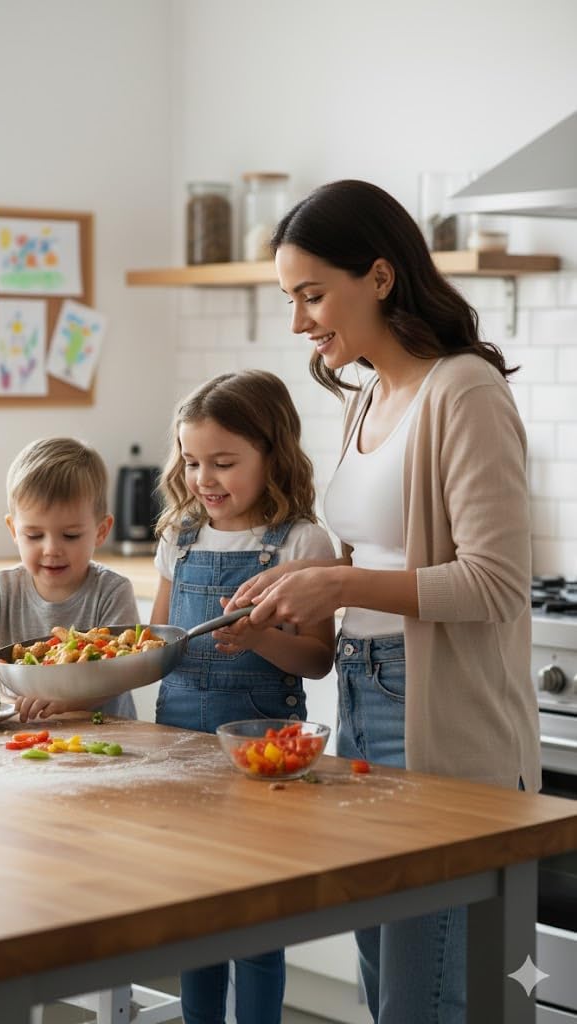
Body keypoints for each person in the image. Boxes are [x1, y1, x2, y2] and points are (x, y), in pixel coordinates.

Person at [226, 180, 541, 1024]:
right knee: (385, 980)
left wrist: (342, 582)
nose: (298, 322)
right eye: (290, 299)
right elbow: (371, 547)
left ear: (378, 276)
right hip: (362, 697)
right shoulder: (367, 393)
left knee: (421, 995)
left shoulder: (463, 390)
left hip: (439, 710)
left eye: (311, 295)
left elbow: (496, 581)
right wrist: (292, 579)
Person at [151, 369, 336, 1024]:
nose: (204, 478)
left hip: (266, 764)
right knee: (196, 922)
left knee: (257, 926)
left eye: (224, 462)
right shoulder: (180, 536)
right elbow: (160, 639)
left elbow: (316, 659)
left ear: (272, 453)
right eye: (193, 460)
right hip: (182, 753)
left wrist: (260, 641)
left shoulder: (300, 543)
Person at [0, 437, 137, 723]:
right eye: (34, 535)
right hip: (21, 740)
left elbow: (121, 674)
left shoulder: (111, 591)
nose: (51, 549)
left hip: (107, 740)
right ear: (13, 529)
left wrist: (64, 700)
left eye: (70, 535)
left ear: (101, 531)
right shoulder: (2, 590)